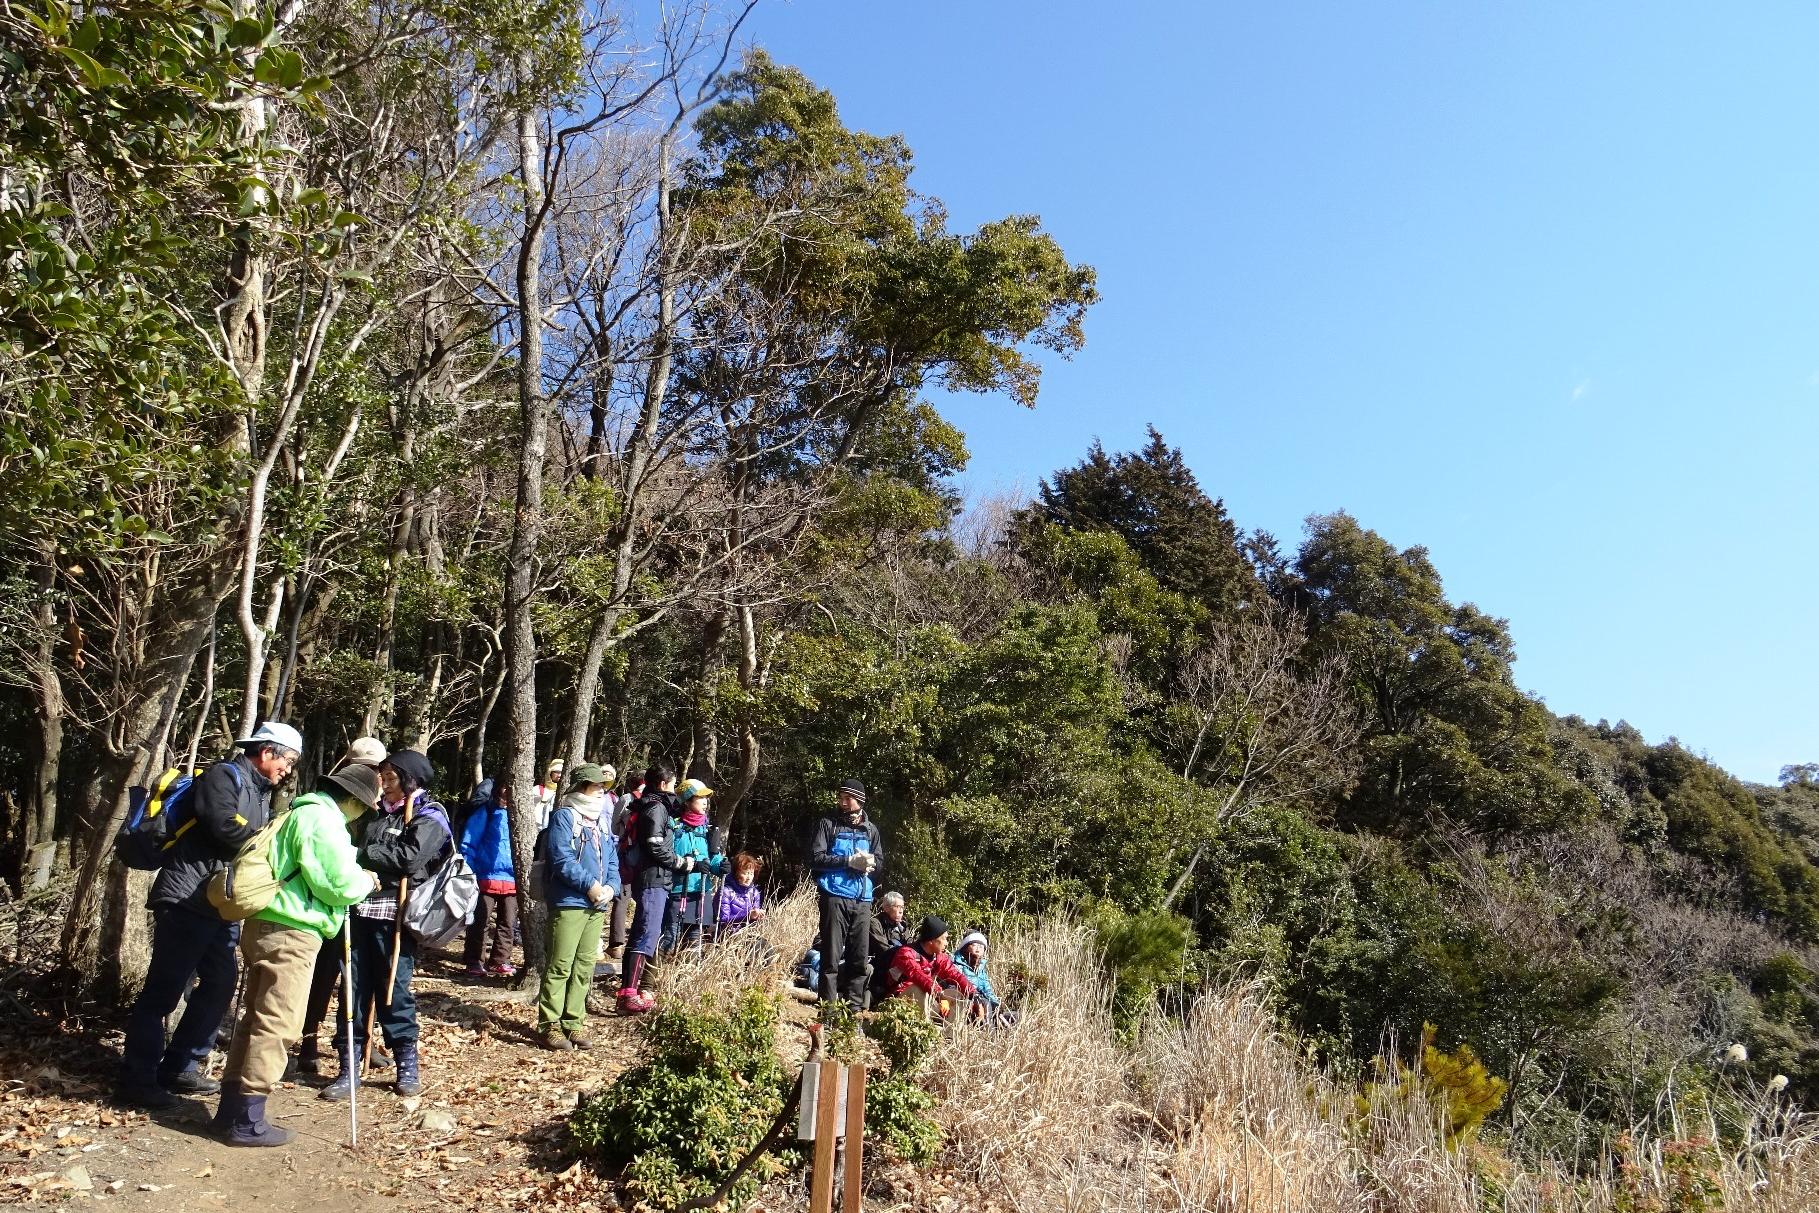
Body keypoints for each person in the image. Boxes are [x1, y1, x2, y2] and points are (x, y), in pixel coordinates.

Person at [118, 722, 301, 1109]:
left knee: (220, 982)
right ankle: (137, 1080)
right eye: (288, 759)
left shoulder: (260, 791)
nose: (288, 769)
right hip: (186, 898)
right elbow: (221, 825)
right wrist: (269, 845)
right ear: (267, 752)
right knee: (164, 991)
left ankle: (181, 1065)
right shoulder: (223, 775)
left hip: (217, 904)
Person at [213, 765, 381, 1145]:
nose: (362, 814)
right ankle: (247, 1121)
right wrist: (364, 882)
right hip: (292, 930)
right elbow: (336, 884)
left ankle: (230, 1111)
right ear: (353, 800)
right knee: (279, 1022)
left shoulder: (296, 812)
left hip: (264, 922)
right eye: (363, 807)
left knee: (256, 1017)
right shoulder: (323, 820)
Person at [320, 749, 451, 1101]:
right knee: (353, 989)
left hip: (396, 920)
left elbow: (410, 859)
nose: (384, 785)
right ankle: (349, 1065)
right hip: (357, 911)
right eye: (383, 778)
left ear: (411, 780)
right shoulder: (374, 813)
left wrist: (360, 856)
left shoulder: (430, 815)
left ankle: (406, 1063)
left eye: (391, 779)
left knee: (394, 990)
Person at [295, 737, 386, 1077]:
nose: (374, 773)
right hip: (330, 897)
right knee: (321, 976)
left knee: (356, 979)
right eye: (367, 766)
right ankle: (307, 1040)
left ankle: (354, 1041)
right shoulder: (337, 797)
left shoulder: (381, 800)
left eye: (378, 767)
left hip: (365, 899)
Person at [536, 763, 620, 1050]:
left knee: (584, 966)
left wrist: (610, 887)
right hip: (569, 902)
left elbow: (611, 860)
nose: (601, 790)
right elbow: (561, 859)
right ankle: (550, 1026)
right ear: (583, 786)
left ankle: (573, 1023)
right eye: (597, 785)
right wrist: (590, 886)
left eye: (603, 786)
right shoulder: (564, 815)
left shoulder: (602, 819)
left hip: (597, 904)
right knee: (560, 965)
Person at [809, 778, 882, 1010]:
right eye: (840, 797)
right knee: (830, 957)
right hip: (834, 896)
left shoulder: (871, 830)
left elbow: (880, 863)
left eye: (846, 798)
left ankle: (854, 1011)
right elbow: (816, 859)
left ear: (859, 800)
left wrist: (871, 865)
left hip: (862, 900)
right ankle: (827, 1011)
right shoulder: (827, 824)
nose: (841, 802)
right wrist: (848, 862)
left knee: (859, 959)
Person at [616, 764, 678, 1013]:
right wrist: (681, 863)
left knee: (641, 934)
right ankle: (629, 995)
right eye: (673, 784)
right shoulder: (656, 808)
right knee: (646, 936)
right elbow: (655, 845)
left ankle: (630, 993)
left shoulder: (650, 805)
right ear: (663, 785)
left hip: (652, 878)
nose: (674, 789)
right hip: (653, 879)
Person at [459, 779, 517, 978]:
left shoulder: (519, 814)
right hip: (485, 875)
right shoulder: (486, 811)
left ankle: (500, 960)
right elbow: (469, 840)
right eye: (505, 786)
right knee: (479, 921)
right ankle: (474, 960)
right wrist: (469, 869)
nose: (507, 791)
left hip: (512, 878)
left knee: (508, 921)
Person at [666, 779, 726, 951]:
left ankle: (686, 976)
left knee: (694, 942)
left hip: (701, 892)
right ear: (687, 800)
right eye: (700, 797)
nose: (705, 802)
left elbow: (712, 858)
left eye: (706, 798)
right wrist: (691, 865)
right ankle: (656, 976)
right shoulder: (674, 826)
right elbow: (667, 856)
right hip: (677, 890)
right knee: (670, 937)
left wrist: (720, 866)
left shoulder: (707, 829)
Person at [881, 915, 977, 1021]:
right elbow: (918, 976)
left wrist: (973, 995)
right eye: (944, 939)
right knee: (919, 988)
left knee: (958, 995)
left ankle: (949, 1034)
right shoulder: (906, 953)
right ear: (931, 940)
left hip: (928, 998)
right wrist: (939, 994)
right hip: (898, 999)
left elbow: (955, 974)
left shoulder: (938, 956)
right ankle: (923, 1029)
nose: (947, 943)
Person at [605, 770, 645, 961]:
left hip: (627, 852)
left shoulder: (626, 799)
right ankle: (638, 941)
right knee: (644, 897)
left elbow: (613, 827)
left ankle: (617, 945)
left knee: (622, 896)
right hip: (647, 855)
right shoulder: (655, 801)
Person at [953, 931, 1016, 1027]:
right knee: (986, 1003)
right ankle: (989, 1036)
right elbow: (957, 986)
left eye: (981, 946)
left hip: (983, 1003)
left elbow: (987, 989)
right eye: (974, 945)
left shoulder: (981, 968)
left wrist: (996, 1003)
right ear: (965, 947)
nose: (978, 949)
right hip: (966, 1003)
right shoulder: (956, 964)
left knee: (1014, 1016)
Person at [867, 891, 909, 1006]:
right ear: (886, 908)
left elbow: (911, 947)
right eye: (897, 907)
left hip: (898, 965)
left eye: (902, 907)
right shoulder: (875, 923)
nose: (901, 910)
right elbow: (884, 949)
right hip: (878, 965)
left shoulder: (902, 927)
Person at [718, 853, 767, 933]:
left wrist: (758, 916)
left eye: (751, 873)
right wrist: (747, 915)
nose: (749, 878)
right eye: (745, 873)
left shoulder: (754, 892)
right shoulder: (725, 891)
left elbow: (753, 919)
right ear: (736, 873)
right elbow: (723, 920)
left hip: (748, 933)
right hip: (728, 935)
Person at [533, 758, 566, 830]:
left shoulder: (567, 793)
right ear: (550, 773)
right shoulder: (537, 790)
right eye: (557, 772)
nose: (559, 775)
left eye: (562, 772)